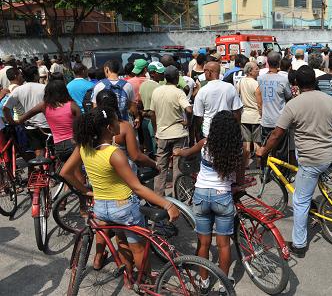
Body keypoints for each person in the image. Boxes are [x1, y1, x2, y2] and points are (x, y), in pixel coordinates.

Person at [60, 107, 180, 275]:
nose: (120, 123)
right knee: (138, 249)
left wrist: (85, 191)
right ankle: (147, 282)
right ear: (109, 128)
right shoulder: (114, 153)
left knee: (121, 241)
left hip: (101, 208)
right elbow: (137, 187)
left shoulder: (84, 147)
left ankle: (129, 277)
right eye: (117, 120)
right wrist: (167, 204)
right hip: (124, 207)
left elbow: (65, 172)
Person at [257, 65, 332, 257]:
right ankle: (314, 206)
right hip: (328, 154)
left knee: (299, 201)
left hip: (311, 159)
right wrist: (329, 137)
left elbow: (276, 134)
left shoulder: (294, 105)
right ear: (315, 82)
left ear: (296, 84)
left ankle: (299, 245)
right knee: (309, 182)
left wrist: (263, 151)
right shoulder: (328, 100)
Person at [174, 111, 246, 293]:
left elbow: (187, 152)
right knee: (223, 244)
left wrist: (177, 151)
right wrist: (236, 186)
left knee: (204, 243)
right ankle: (223, 284)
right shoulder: (239, 149)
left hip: (201, 196)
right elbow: (239, 179)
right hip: (222, 197)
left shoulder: (205, 144)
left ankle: (204, 281)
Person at [150, 65, 193, 196]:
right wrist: (188, 122)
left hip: (162, 134)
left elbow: (152, 113)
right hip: (178, 133)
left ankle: (158, 196)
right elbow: (189, 109)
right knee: (178, 166)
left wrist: (157, 129)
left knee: (160, 167)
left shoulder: (156, 91)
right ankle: (178, 194)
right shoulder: (178, 92)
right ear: (176, 78)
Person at [15, 78, 80, 162]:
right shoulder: (72, 105)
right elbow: (82, 124)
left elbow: (24, 117)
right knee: (76, 170)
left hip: (59, 145)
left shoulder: (44, 106)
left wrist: (14, 121)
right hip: (74, 143)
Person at [3, 65, 49, 157]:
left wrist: (12, 122)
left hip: (30, 126)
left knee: (38, 150)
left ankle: (40, 168)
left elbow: (5, 108)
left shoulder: (18, 90)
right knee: (50, 148)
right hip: (46, 124)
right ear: (36, 75)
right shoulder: (44, 88)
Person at [193, 61, 242, 141]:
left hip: (208, 131)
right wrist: (237, 129)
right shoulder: (230, 87)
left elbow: (198, 116)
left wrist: (198, 134)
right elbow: (236, 112)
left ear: (209, 72)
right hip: (227, 130)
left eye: (205, 71)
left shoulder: (202, 91)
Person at [92, 59, 139, 127]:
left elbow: (95, 107)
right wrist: (137, 117)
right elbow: (132, 105)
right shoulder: (127, 85)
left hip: (106, 124)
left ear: (106, 69)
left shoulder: (99, 85)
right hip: (124, 122)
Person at [257, 51, 291, 143]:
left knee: (266, 148)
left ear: (267, 62)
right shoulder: (283, 80)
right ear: (279, 63)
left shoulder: (260, 78)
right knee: (280, 151)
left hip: (266, 120)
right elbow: (289, 96)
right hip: (280, 121)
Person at [237, 61, 262, 159]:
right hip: (256, 117)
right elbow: (260, 104)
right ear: (250, 71)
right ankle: (259, 165)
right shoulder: (256, 84)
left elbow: (237, 97)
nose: (258, 70)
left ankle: (245, 164)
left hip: (244, 116)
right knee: (257, 143)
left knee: (246, 143)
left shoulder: (240, 82)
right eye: (256, 69)